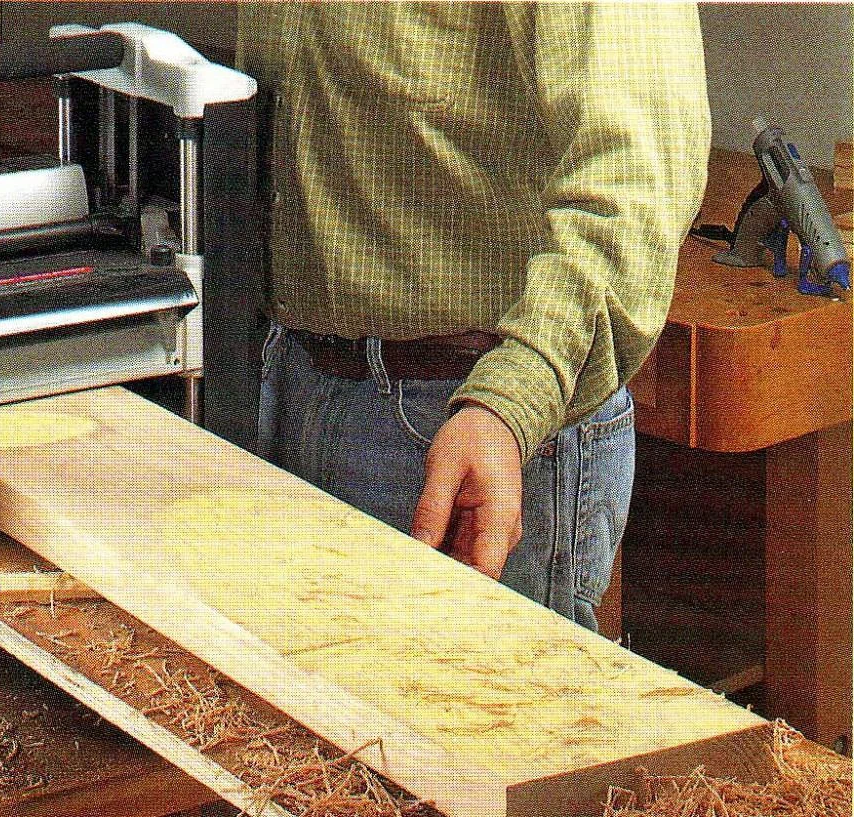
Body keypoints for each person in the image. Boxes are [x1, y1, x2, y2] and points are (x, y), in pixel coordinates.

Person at [237, 2, 711, 631]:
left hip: (469, 426)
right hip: (292, 386)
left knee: (483, 695)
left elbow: (633, 180)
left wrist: (509, 403)